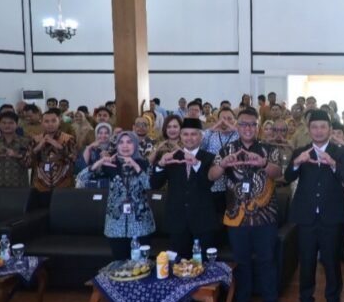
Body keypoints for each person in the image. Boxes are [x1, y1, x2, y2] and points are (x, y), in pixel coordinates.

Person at [208, 107, 288, 302]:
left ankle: (270, 299)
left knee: (267, 259)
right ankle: (242, 299)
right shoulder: (227, 149)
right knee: (241, 261)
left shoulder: (268, 149)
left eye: (252, 124)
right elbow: (211, 175)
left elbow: (278, 173)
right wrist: (223, 165)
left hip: (265, 215)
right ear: (237, 126)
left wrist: (263, 163)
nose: (248, 128)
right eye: (243, 124)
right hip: (236, 217)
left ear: (258, 126)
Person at [284, 110, 344, 302]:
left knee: (332, 263)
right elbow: (288, 177)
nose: (319, 131)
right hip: (306, 217)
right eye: (314, 127)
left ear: (330, 129)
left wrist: (333, 163)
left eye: (323, 127)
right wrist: (297, 162)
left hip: (331, 217)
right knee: (306, 262)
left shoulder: (340, 152)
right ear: (309, 129)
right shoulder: (301, 151)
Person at [150, 118, 218, 259]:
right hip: (177, 220)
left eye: (193, 134)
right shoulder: (172, 157)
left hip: (203, 220)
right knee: (179, 264)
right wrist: (161, 165)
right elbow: (154, 184)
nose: (189, 138)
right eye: (185, 134)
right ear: (180, 136)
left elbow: (208, 183)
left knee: (204, 264)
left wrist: (196, 164)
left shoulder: (209, 158)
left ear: (201, 137)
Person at [87, 132, 155, 260]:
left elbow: (150, 186)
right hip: (115, 225)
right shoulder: (111, 164)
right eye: (121, 142)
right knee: (119, 265)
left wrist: (135, 166)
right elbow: (82, 179)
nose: (125, 146)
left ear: (135, 145)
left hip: (140, 224)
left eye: (129, 142)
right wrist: (99, 162)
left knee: (141, 265)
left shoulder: (143, 163)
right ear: (116, 146)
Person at [29, 110, 78, 206]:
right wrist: (38, 147)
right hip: (41, 186)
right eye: (46, 121)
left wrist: (58, 146)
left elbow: (74, 160)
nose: (50, 124)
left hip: (64, 185)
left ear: (59, 121)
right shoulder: (36, 139)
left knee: (62, 211)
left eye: (53, 121)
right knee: (41, 212)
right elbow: (28, 162)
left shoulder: (69, 139)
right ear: (42, 123)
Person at [200, 107, 239, 216]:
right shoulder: (211, 134)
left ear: (235, 120)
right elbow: (200, 146)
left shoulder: (238, 135)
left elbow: (247, 138)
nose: (225, 122)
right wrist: (214, 127)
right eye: (222, 119)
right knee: (216, 216)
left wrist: (233, 127)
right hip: (215, 184)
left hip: (234, 184)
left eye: (229, 119)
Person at [0, 111, 31, 188]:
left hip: (19, 186)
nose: (7, 125)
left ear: (17, 125)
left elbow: (29, 165)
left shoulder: (25, 142)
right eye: (4, 123)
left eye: (11, 123)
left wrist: (17, 155)